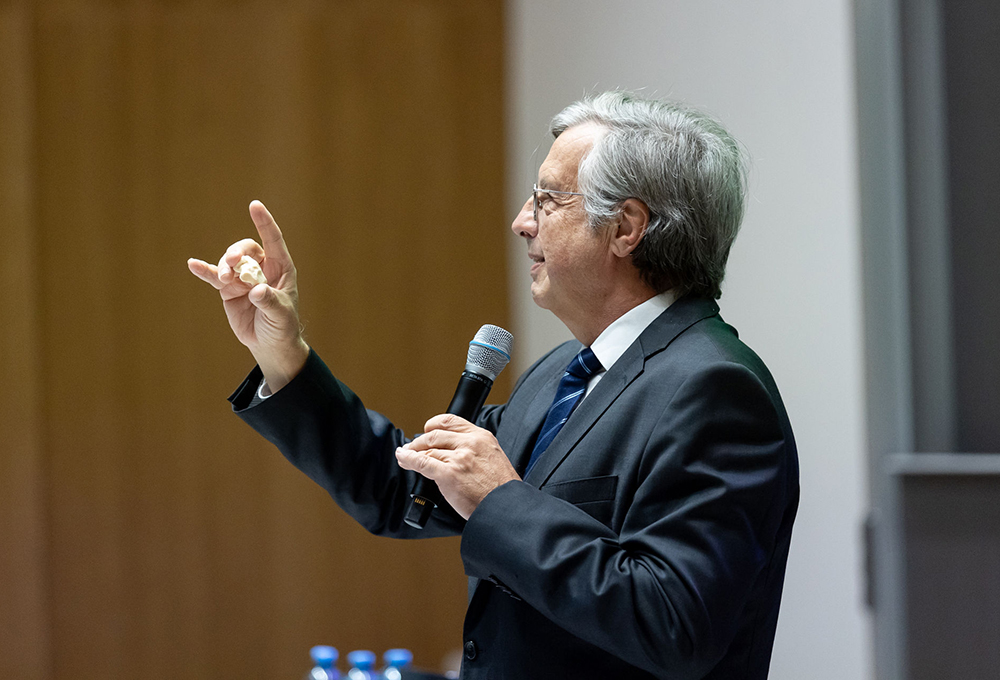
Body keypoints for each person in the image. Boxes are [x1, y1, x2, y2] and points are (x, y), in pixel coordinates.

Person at [188, 91, 799, 680]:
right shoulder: (563, 372)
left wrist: (501, 500)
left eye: (547, 200)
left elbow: (674, 623)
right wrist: (282, 352)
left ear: (625, 228)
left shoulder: (715, 391)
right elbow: (403, 490)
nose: (521, 222)